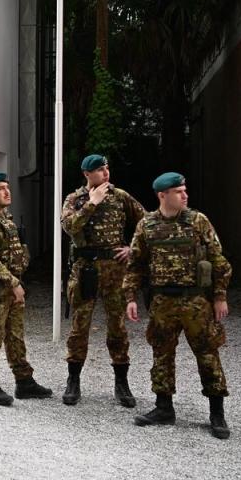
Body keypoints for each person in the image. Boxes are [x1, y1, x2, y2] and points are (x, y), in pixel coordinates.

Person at [123, 172, 233, 439]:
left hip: (196, 300)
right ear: (163, 196)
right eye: (178, 191)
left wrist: (219, 297)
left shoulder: (198, 221)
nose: (185, 195)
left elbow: (219, 261)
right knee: (161, 353)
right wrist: (130, 298)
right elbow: (135, 263)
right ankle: (163, 407)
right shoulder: (146, 225)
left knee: (207, 353)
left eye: (185, 190)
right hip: (162, 301)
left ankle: (217, 413)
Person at [60, 154, 145, 407]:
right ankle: (73, 381)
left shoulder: (120, 196)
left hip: (114, 270)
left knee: (117, 327)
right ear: (87, 174)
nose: (106, 173)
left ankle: (122, 383)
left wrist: (132, 249)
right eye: (99, 169)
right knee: (79, 327)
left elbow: (147, 222)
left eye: (107, 167)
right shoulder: (75, 199)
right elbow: (69, 226)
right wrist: (92, 203)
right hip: (85, 269)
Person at [0, 172, 52, 406]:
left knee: (15, 334)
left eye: (7, 187)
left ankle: (24, 381)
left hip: (11, 286)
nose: (7, 192)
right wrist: (14, 283)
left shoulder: (5, 219)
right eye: (0, 188)